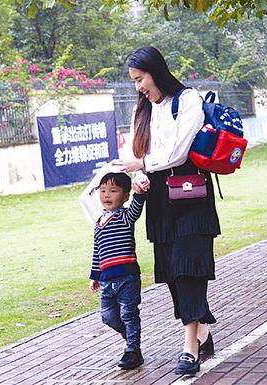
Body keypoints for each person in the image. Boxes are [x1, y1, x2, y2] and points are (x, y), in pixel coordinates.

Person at [114, 46, 221, 376]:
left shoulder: (187, 101)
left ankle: (189, 349)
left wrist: (143, 163)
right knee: (172, 272)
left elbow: (177, 151)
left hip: (190, 195)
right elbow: (138, 152)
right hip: (159, 200)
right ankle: (202, 334)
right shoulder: (143, 111)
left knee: (190, 269)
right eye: (133, 81)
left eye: (140, 79)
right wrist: (139, 175)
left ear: (156, 72)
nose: (138, 87)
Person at [89, 172, 146, 369]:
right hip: (106, 280)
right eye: (103, 191)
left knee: (129, 313)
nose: (107, 195)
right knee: (108, 316)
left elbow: (136, 210)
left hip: (127, 277)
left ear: (125, 196)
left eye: (113, 191)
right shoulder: (98, 224)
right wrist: (94, 276)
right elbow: (98, 252)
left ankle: (133, 350)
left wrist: (140, 192)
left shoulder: (125, 217)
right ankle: (128, 334)